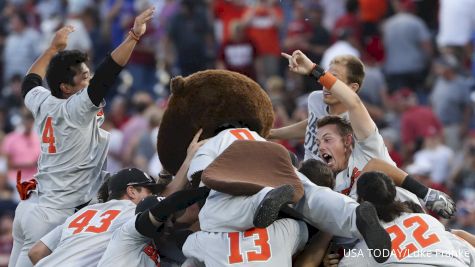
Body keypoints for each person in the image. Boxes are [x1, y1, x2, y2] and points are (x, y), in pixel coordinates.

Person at [9, 7, 155, 267]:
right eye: (84, 78)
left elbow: (30, 82)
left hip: (31, 208)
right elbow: (108, 74)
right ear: (66, 88)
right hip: (54, 215)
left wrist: (53, 49)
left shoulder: (44, 99)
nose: (90, 81)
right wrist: (133, 36)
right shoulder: (75, 108)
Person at [277, 50, 454, 218]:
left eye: (333, 79)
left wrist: (314, 70)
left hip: (390, 202)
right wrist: (272, 133)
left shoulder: (360, 125)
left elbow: (375, 164)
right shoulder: (316, 101)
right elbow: (312, 125)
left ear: (352, 87)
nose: (324, 84)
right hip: (339, 196)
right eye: (326, 78)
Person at [27, 168, 160, 267]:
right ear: (131, 191)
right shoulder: (133, 211)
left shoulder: (84, 212)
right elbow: (166, 205)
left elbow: (36, 252)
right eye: (149, 191)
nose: (152, 196)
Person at [337, 171, 475, 266]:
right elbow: (468, 253)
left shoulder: (370, 247)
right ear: (394, 195)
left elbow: (345, 264)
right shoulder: (429, 221)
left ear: (361, 203)